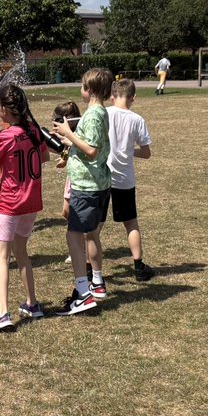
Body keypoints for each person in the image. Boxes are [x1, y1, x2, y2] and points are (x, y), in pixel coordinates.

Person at [0, 83, 49, 330]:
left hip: (12, 203)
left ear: (5, 109)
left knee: (3, 256)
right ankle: (31, 303)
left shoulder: (5, 136)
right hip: (32, 202)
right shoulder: (33, 130)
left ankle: (3, 313)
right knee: (21, 252)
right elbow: (44, 156)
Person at [50, 67, 113, 315]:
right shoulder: (96, 113)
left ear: (89, 90)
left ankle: (83, 292)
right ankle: (96, 283)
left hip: (87, 187)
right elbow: (87, 143)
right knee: (90, 235)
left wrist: (68, 133)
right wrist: (68, 141)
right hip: (95, 185)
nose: (80, 90)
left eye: (81, 86)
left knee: (74, 236)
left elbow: (92, 150)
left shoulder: (94, 115)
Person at [105, 79, 156, 281]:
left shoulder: (103, 114)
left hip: (102, 176)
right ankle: (138, 266)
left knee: (96, 225)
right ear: (133, 98)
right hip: (124, 179)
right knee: (130, 223)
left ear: (111, 96)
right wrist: (127, 151)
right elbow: (146, 153)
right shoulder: (137, 120)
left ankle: (90, 268)